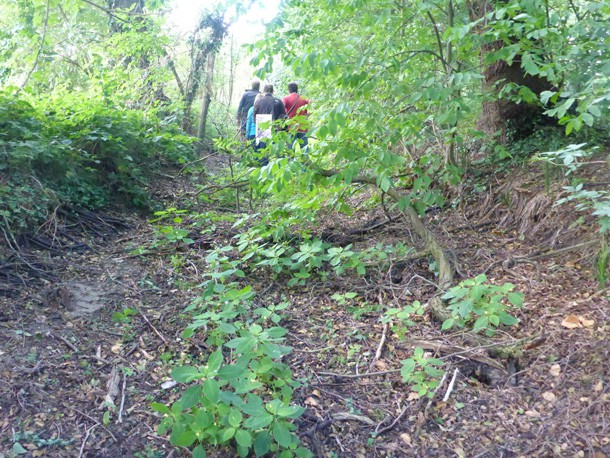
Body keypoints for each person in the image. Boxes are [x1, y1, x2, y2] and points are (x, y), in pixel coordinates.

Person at [253, 84, 286, 165]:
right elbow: (284, 116)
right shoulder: (278, 101)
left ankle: (264, 168)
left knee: (264, 150)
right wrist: (283, 128)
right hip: (276, 128)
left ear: (263, 91)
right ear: (273, 91)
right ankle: (282, 168)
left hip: (263, 129)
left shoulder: (258, 102)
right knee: (278, 150)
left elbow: (254, 117)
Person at [282, 82, 309, 148]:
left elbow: (282, 107)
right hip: (303, 126)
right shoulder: (303, 99)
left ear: (289, 90)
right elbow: (309, 110)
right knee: (304, 149)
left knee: (290, 149)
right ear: (297, 89)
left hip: (291, 127)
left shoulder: (286, 99)